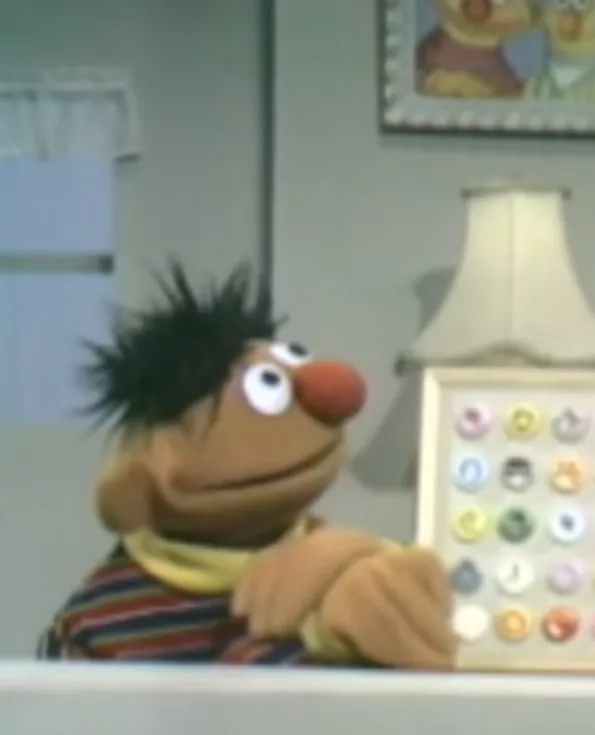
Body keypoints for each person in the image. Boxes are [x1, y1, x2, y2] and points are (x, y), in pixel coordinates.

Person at [38, 263, 458, 668]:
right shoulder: (98, 626)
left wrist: (383, 614)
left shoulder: (347, 563)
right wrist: (288, 641)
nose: (337, 398)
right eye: (268, 386)